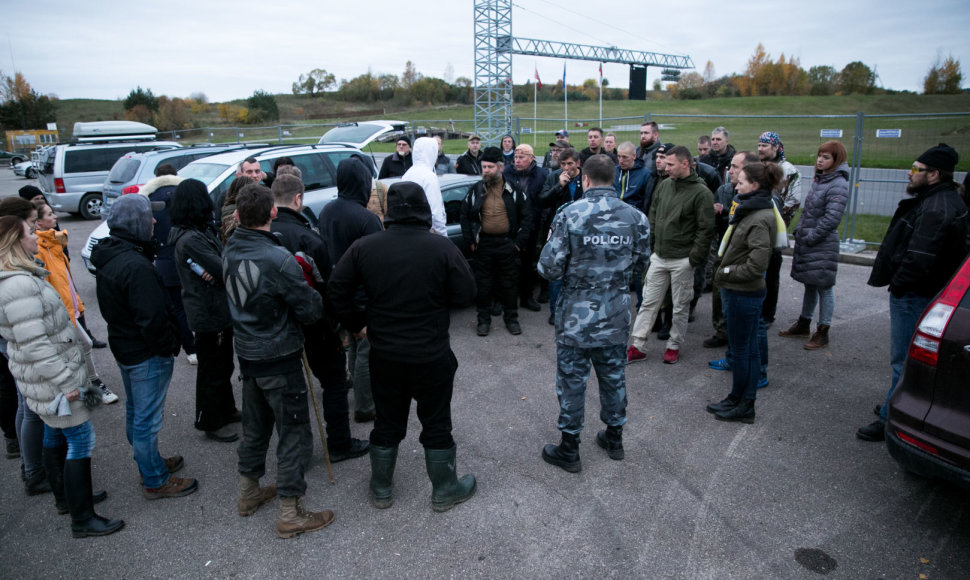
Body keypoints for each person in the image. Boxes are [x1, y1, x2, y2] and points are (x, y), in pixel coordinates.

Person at [328, 181, 477, 512]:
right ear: (423, 208)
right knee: (437, 421)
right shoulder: (441, 248)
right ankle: (444, 490)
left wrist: (358, 325)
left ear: (389, 210)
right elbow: (467, 293)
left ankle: (381, 487)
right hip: (431, 354)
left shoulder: (364, 247)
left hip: (386, 354)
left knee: (388, 421)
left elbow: (336, 290)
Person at [0, 215, 124, 538]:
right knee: (80, 439)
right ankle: (82, 517)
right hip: (55, 380)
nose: (36, 235)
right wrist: (68, 383)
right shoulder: (18, 285)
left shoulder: (20, 277)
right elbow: (36, 344)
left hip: (45, 379)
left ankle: (67, 499)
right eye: (30, 232)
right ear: (14, 242)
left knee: (54, 435)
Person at [223, 183, 333, 537]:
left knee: (255, 428)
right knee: (292, 433)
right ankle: (290, 510)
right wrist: (311, 279)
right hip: (279, 357)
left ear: (238, 216)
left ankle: (248, 492)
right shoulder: (279, 259)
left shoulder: (230, 248)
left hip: (249, 354)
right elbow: (310, 310)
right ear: (273, 212)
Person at [538, 154, 650, 472]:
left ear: (584, 179)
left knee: (572, 381)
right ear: (613, 179)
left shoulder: (569, 215)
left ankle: (569, 448)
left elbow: (548, 268)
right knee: (613, 377)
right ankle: (614, 438)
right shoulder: (636, 218)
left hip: (576, 317)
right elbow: (641, 268)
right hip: (614, 313)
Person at [90, 194, 199, 500]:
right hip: (144, 354)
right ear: (135, 222)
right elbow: (151, 318)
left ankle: (148, 463)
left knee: (137, 413)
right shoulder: (135, 265)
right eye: (147, 217)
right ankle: (154, 479)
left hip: (126, 348)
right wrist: (168, 346)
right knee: (146, 420)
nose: (153, 221)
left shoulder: (111, 255)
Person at [858, 143, 969, 442]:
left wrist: (900, 285)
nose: (911, 174)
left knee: (903, 360)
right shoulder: (939, 200)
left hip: (914, 294)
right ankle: (896, 404)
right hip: (919, 292)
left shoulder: (936, 208)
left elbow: (919, 257)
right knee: (905, 359)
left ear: (934, 174)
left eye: (916, 170)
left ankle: (890, 419)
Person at [269, 173, 369, 462]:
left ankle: (298, 451)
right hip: (315, 325)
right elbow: (331, 288)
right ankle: (338, 442)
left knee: (291, 389)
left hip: (276, 324)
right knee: (334, 382)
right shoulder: (306, 237)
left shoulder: (261, 234)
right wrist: (349, 324)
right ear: (298, 199)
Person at [705, 161, 781, 424]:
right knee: (742, 350)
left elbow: (757, 265)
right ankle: (736, 397)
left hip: (744, 293)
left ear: (756, 186)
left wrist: (724, 274)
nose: (735, 184)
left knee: (744, 351)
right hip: (737, 291)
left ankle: (745, 404)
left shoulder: (760, 217)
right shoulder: (750, 210)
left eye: (741, 182)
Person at [169, 179, 241, 443]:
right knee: (212, 368)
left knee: (223, 364)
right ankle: (209, 420)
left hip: (215, 309)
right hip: (208, 313)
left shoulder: (198, 232)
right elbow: (222, 267)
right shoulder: (190, 239)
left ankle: (226, 409)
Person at [628, 146, 714, 364]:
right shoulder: (665, 185)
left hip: (683, 260)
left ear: (685, 164)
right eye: (665, 163)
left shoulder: (701, 193)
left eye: (670, 164)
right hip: (659, 256)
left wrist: (692, 259)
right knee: (648, 302)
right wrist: (653, 247)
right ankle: (638, 345)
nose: (665, 168)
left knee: (680, 306)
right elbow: (654, 215)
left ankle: (674, 345)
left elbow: (706, 230)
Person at [318, 158, 384, 424]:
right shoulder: (366, 218)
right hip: (362, 296)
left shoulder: (326, 211)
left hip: (337, 293)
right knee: (367, 349)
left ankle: (360, 393)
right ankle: (366, 405)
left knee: (355, 347)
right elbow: (377, 264)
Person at [32, 201, 117, 404]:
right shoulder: (40, 248)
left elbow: (66, 280)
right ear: (38, 223)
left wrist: (76, 302)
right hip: (59, 311)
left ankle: (86, 386)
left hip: (67, 307)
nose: (55, 217)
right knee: (83, 344)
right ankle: (92, 384)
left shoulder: (53, 243)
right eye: (50, 214)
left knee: (80, 346)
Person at [778, 141, 850, 349]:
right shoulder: (822, 180)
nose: (820, 160)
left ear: (836, 161)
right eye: (819, 155)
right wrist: (800, 229)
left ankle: (823, 330)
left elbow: (831, 218)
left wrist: (809, 236)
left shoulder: (838, 184)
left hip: (822, 244)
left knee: (824, 287)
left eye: (826, 157)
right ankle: (803, 323)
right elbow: (809, 210)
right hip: (810, 240)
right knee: (809, 283)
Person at [461, 146, 532, 336]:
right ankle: (483, 321)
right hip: (483, 245)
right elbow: (465, 217)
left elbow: (527, 218)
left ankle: (512, 320)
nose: (485, 171)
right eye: (483, 167)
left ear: (500, 167)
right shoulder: (475, 190)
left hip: (507, 245)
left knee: (509, 285)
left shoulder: (514, 190)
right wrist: (471, 242)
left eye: (490, 167)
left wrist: (517, 244)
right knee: (483, 286)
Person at [141, 164, 198, 366]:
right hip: (191, 257)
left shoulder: (147, 198)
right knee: (196, 300)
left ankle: (191, 350)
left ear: (156, 176)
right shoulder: (187, 194)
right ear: (176, 174)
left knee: (177, 308)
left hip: (164, 259)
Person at [703, 151, 760, 349]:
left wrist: (725, 213)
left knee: (738, 303)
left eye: (736, 167)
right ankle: (721, 331)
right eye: (731, 166)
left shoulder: (761, 200)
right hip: (722, 250)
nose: (730, 170)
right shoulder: (725, 190)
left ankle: (737, 344)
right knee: (720, 295)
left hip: (741, 258)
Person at [757, 131, 802, 326]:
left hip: (774, 230)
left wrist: (777, 222)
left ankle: (768, 314)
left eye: (765, 145)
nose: (760, 148)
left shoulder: (788, 170)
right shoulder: (758, 167)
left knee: (771, 274)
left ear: (776, 147)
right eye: (759, 144)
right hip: (759, 229)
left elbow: (793, 201)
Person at [536, 148, 583, 325]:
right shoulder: (554, 176)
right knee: (556, 273)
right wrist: (559, 186)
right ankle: (555, 311)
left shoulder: (585, 177)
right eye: (563, 164)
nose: (566, 168)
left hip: (580, 232)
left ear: (577, 163)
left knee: (578, 272)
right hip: (558, 232)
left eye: (570, 164)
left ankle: (576, 310)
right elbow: (542, 200)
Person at [502, 144, 546, 312]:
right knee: (508, 264)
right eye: (515, 158)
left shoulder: (542, 175)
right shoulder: (507, 173)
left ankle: (527, 297)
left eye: (521, 158)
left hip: (532, 225)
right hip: (510, 225)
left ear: (531, 158)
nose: (517, 161)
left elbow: (544, 200)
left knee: (528, 263)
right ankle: (506, 299)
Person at [402, 136, 447, 236]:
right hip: (428, 233)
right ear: (431, 152)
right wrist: (443, 236)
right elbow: (435, 213)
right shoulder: (428, 176)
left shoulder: (408, 174)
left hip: (409, 231)